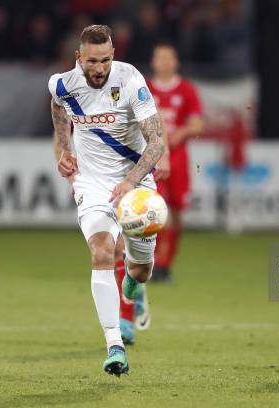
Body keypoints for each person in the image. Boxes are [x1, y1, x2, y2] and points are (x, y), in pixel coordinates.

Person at [49, 25, 166, 376]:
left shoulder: (130, 80)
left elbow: (157, 141)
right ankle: (114, 345)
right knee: (101, 251)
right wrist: (64, 152)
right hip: (92, 182)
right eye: (92, 61)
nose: (99, 68)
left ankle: (134, 279)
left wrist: (131, 182)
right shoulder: (62, 84)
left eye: (105, 60)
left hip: (136, 181)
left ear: (113, 55)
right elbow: (59, 116)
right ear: (78, 58)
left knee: (141, 271)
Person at [147, 42, 204, 282]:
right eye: (160, 58)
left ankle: (167, 264)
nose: (164, 63)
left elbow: (197, 124)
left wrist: (176, 136)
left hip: (179, 157)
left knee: (178, 211)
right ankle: (154, 263)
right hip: (152, 157)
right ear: (153, 62)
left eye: (168, 58)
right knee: (155, 210)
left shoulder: (187, 89)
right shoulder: (145, 88)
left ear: (175, 62)